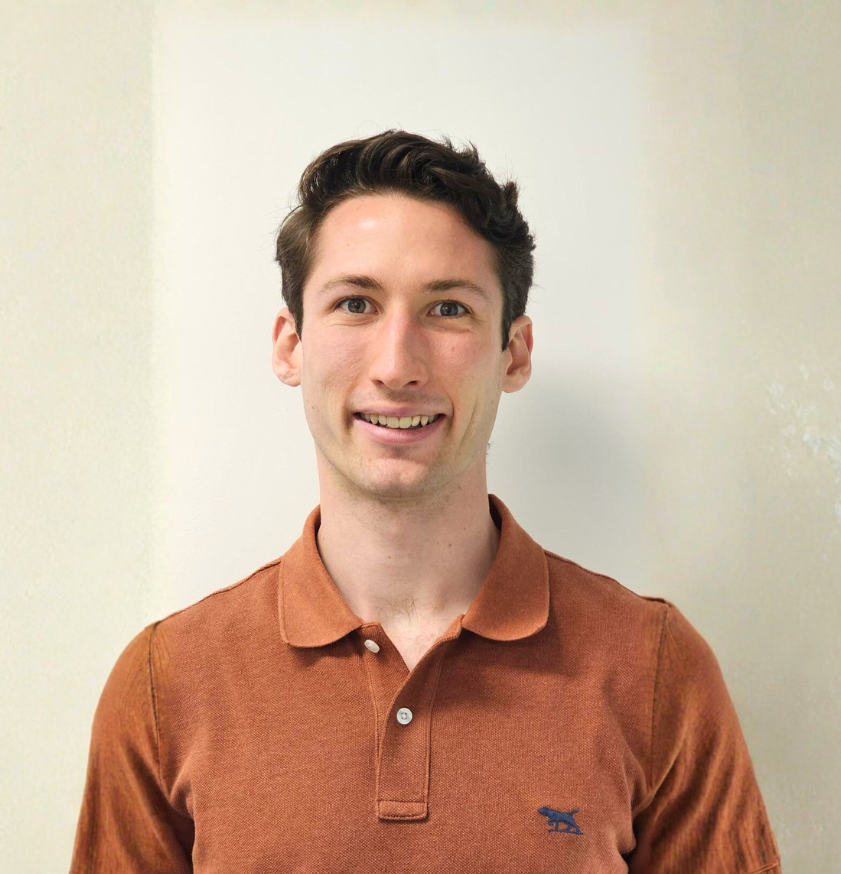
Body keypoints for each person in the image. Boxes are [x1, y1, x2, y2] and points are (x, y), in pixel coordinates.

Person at [70, 130, 781, 873]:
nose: (396, 364)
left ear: (514, 351)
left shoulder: (654, 669)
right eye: (355, 304)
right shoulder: (166, 683)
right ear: (290, 345)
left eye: (446, 310)